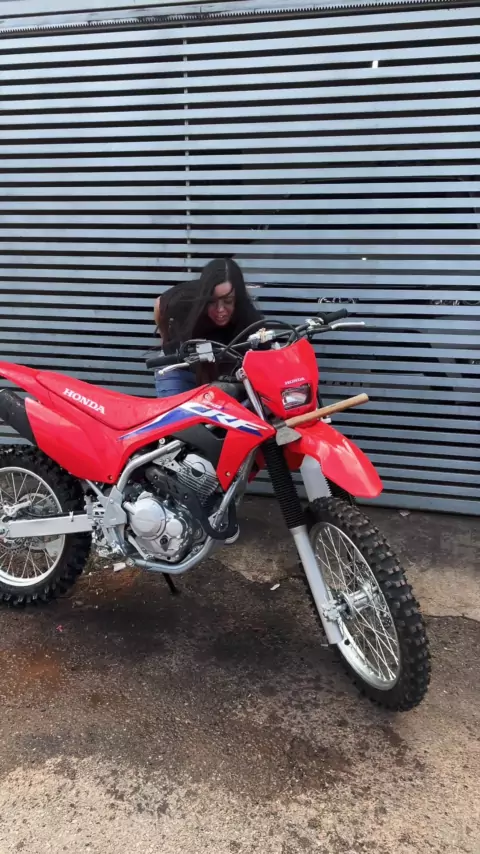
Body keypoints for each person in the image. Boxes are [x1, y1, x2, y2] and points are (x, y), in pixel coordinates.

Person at [153, 258, 262, 397]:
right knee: (177, 410)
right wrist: (165, 339)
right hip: (178, 366)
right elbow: (159, 304)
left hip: (217, 372)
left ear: (237, 299)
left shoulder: (249, 317)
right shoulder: (185, 298)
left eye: (228, 301)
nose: (220, 309)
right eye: (212, 301)